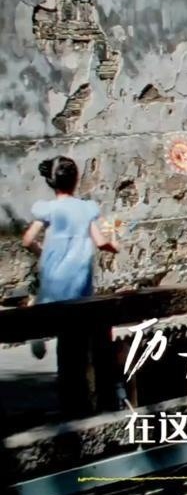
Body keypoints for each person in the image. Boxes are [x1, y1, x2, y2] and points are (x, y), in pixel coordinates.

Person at [21, 156, 119, 398]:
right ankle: (76, 392)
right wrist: (114, 245)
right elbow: (101, 242)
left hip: (54, 276)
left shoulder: (47, 209)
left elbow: (28, 240)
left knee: (51, 310)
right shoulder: (86, 209)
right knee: (75, 338)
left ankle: (39, 331)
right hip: (78, 280)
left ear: (51, 182)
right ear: (77, 180)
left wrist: (42, 252)